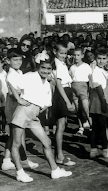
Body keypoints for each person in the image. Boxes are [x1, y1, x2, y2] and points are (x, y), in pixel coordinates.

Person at [10, 50, 72, 182]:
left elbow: (46, 104)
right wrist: (19, 99)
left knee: (47, 142)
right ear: (38, 67)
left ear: (52, 70)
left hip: (33, 117)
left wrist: (37, 109)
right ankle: (20, 173)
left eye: (49, 69)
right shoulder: (31, 76)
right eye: (43, 68)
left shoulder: (48, 85)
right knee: (16, 143)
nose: (45, 71)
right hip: (22, 112)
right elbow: (10, 80)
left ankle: (55, 170)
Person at [2, 48, 38, 171]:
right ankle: (23, 160)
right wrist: (19, 98)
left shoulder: (19, 72)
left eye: (19, 60)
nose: (18, 62)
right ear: (8, 61)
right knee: (18, 133)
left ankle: (8, 159)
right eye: (14, 60)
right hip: (13, 103)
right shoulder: (11, 74)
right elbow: (12, 88)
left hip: (16, 101)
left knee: (15, 134)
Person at [52, 41, 76, 166]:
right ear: (55, 52)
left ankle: (59, 154)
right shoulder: (58, 65)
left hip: (66, 91)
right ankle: (59, 156)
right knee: (60, 126)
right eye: (61, 53)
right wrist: (67, 101)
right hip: (62, 94)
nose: (63, 55)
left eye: (65, 53)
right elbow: (59, 84)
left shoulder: (61, 63)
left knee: (61, 125)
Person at [89, 49, 108, 158]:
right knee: (101, 125)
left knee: (96, 126)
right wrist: (103, 102)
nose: (102, 61)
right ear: (96, 59)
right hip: (98, 98)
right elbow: (98, 86)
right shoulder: (96, 70)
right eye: (99, 58)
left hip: (99, 97)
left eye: (104, 59)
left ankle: (94, 149)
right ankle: (105, 149)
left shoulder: (100, 69)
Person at [69, 47, 92, 136]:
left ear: (82, 56)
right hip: (74, 87)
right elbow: (70, 77)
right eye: (74, 55)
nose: (76, 57)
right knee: (78, 109)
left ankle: (91, 126)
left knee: (86, 109)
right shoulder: (72, 67)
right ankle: (81, 127)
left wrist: (90, 89)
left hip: (83, 88)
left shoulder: (86, 66)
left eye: (78, 55)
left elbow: (90, 79)